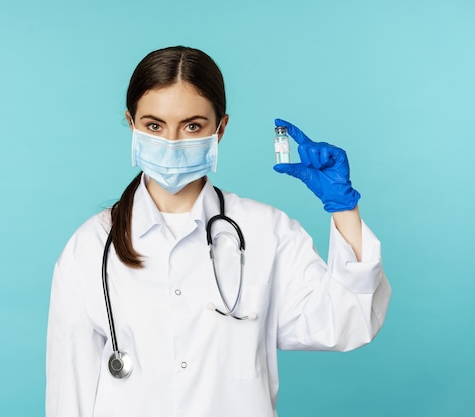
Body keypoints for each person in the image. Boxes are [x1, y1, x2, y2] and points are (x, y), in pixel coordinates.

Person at [46, 45, 391, 417]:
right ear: (132, 124)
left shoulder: (266, 231)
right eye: (154, 126)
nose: (172, 142)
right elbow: (70, 393)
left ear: (220, 129)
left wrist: (344, 209)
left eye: (192, 125)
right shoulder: (91, 247)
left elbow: (344, 322)